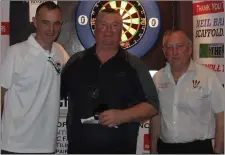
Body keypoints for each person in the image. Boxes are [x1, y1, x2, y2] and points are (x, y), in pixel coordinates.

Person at [61, 8, 159, 154]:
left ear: (121, 30)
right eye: (103, 24)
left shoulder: (134, 65)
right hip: (78, 149)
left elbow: (152, 105)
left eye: (115, 25)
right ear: (95, 28)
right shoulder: (75, 62)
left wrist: (122, 116)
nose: (109, 30)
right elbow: (55, 96)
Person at [0, 1, 69, 154]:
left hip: (47, 146)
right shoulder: (16, 53)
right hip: (15, 146)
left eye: (56, 23)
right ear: (35, 21)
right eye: (46, 22)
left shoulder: (60, 52)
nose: (51, 29)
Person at [150, 29, 224, 154]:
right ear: (164, 52)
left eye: (179, 46)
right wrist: (153, 151)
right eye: (170, 47)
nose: (175, 52)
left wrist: (218, 151)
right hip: (166, 149)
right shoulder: (157, 78)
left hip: (198, 149)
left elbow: (221, 116)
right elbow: (156, 117)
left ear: (189, 49)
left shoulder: (207, 77)